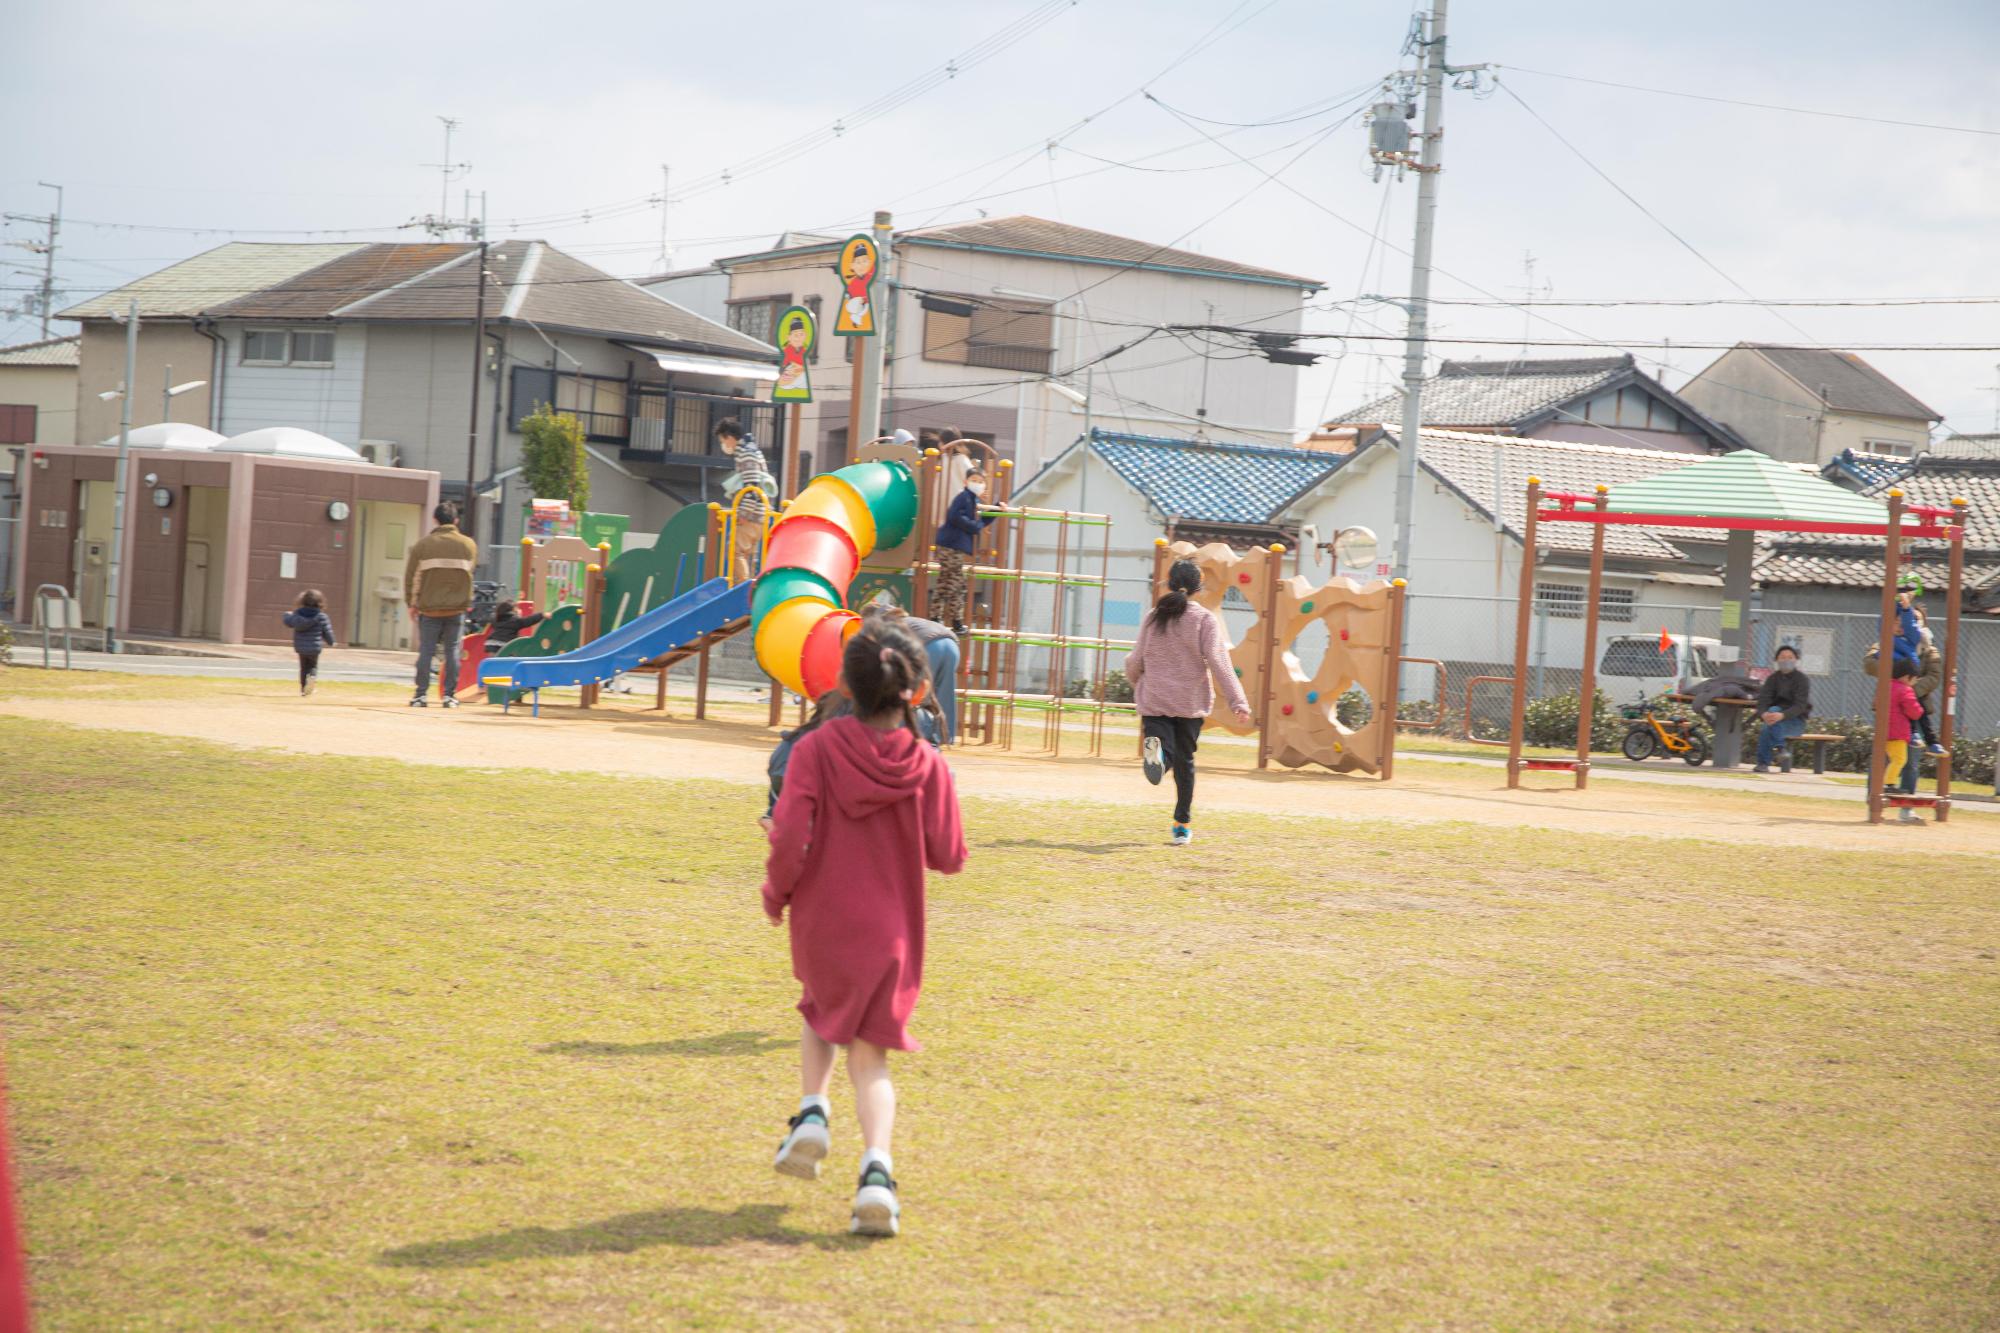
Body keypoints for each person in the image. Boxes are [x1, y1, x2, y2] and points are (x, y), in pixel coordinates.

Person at [762, 622, 967, 1238]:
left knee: (820, 1015)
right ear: (918, 688)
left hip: (824, 919)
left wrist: (777, 892)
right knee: (872, 1058)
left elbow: (789, 831)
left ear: (844, 684)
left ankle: (811, 1114)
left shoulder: (817, 750)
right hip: (895, 935)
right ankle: (877, 1172)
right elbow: (949, 854)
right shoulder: (927, 762)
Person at [1124, 559, 1253, 846]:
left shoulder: (1154, 616)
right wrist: (1237, 701)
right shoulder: (1205, 620)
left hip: (1155, 698)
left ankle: (1157, 758)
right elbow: (1220, 663)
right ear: (1199, 588)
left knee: (1162, 746)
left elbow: (1136, 660)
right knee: (1186, 763)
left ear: (1168, 583)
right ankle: (1181, 825)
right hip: (1190, 702)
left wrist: (1136, 681)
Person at [404, 502, 479, 708]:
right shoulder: (469, 545)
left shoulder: (423, 545)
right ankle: (449, 696)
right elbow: (469, 574)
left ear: (435, 520)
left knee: (426, 650)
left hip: (429, 608)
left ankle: (420, 695)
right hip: (457, 608)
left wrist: (412, 603)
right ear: (456, 521)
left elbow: (412, 577)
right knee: (453, 651)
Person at [864, 602, 961, 744]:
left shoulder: (882, 628)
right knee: (943, 695)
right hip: (951, 645)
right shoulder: (907, 621)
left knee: (912, 696)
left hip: (928, 648)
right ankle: (945, 736)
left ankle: (908, 737)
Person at [931, 466, 994, 634]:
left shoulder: (973, 501)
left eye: (981, 482)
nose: (978, 484)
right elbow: (956, 516)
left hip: (951, 546)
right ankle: (956, 622)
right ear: (966, 482)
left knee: (945, 583)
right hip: (951, 546)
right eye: (974, 480)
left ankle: (936, 617)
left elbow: (980, 522)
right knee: (956, 584)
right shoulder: (964, 497)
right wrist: (976, 526)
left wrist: (995, 509)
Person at [717, 418, 777, 584]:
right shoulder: (751, 450)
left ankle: (743, 586)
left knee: (734, 550)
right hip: (760, 514)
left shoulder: (746, 454)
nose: (723, 445)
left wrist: (744, 513)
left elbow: (752, 488)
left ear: (729, 437)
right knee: (747, 553)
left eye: (722, 440)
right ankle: (746, 586)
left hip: (753, 514)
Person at [1750, 643, 1812, 773]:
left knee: (1768, 725)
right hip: (1774, 719)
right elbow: (1762, 701)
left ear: (1796, 660)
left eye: (1790, 657)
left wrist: (1782, 715)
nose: (1786, 660)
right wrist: (1763, 714)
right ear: (1777, 660)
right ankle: (1780, 749)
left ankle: (1763, 763)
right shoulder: (1772, 679)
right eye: (1783, 657)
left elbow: (1800, 706)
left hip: (1794, 721)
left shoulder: (1802, 680)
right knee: (1770, 718)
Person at [1883, 656, 1926, 825]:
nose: (1914, 683)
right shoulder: (1906, 690)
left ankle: (1888, 782)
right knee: (1900, 759)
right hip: (1898, 732)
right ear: (1908, 677)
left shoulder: (1887, 686)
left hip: (1886, 731)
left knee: (1893, 759)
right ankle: (1889, 784)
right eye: (1914, 679)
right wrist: (1920, 710)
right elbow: (1914, 711)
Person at [281, 590, 335, 696]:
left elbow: (289, 622)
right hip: (314, 647)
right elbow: (327, 631)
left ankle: (303, 689)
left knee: (303, 668)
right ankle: (312, 678)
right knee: (312, 666)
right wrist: (331, 642)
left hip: (301, 647)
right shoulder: (322, 616)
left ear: (302, 601)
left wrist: (286, 615)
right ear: (320, 602)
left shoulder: (297, 614)